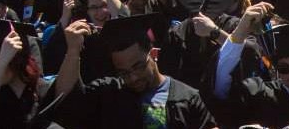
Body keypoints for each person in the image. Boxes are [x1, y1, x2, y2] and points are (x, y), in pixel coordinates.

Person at [47, 13, 217, 129]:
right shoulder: (109, 92)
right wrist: (73, 51)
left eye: (138, 66)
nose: (133, 77)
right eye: (124, 72)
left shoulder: (188, 98)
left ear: (153, 54)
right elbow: (66, 101)